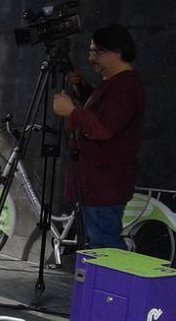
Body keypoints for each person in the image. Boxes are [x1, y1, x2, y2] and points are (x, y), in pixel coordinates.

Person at [52, 24, 146, 250]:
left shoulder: (125, 86)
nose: (90, 57)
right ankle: (109, 284)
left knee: (105, 245)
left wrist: (72, 111)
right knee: (100, 242)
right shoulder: (116, 84)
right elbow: (103, 113)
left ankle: (118, 285)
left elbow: (104, 128)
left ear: (116, 52)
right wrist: (83, 89)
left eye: (96, 52)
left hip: (104, 183)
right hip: (98, 182)